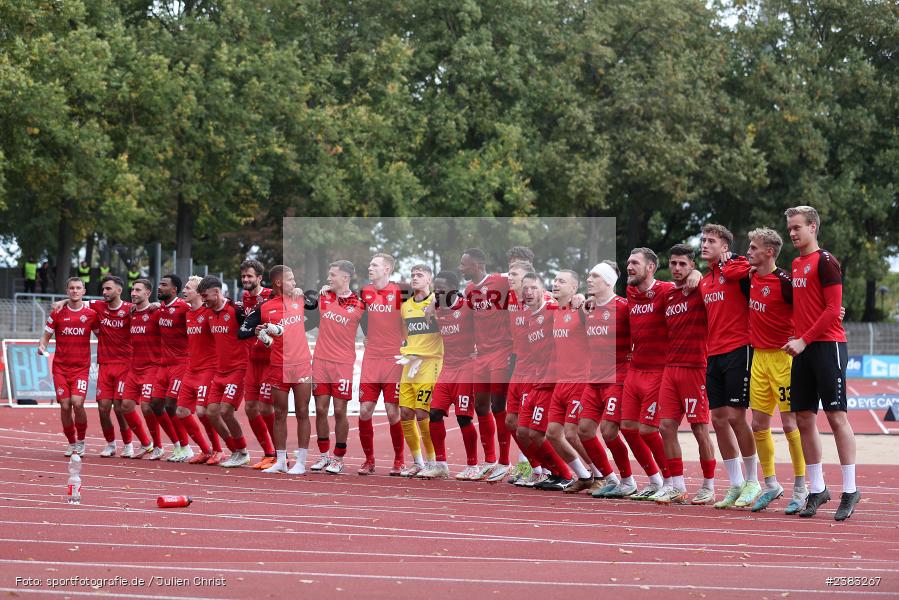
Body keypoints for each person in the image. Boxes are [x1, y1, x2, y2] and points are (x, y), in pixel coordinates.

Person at [782, 206, 859, 521]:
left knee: (837, 417)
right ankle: (817, 489)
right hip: (803, 348)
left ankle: (850, 490)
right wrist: (799, 338)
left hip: (828, 346)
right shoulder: (796, 264)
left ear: (813, 227)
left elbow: (832, 309)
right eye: (789, 228)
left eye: (797, 227)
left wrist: (803, 339)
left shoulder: (826, 261)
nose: (792, 233)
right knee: (803, 418)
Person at [744, 228, 808, 514]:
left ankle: (801, 487)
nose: (748, 252)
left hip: (784, 359)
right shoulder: (749, 277)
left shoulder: (785, 282)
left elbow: (812, 304)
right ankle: (771, 484)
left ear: (769, 252)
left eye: (754, 248)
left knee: (790, 424)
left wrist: (837, 311)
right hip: (758, 358)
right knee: (758, 425)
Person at [701, 224, 760, 509]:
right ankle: (735, 484)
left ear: (725, 247)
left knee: (737, 417)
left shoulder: (737, 269)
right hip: (713, 354)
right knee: (718, 419)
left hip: (739, 349)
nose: (704, 244)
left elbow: (753, 270)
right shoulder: (704, 282)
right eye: (703, 240)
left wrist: (733, 261)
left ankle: (753, 481)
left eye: (711, 241)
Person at [654, 245, 717, 505]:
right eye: (673, 263)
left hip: (696, 368)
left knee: (699, 429)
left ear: (692, 265)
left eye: (683, 264)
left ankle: (708, 486)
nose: (677, 268)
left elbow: (713, 286)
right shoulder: (668, 295)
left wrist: (699, 276)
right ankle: (677, 486)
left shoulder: (701, 288)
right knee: (665, 427)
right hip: (671, 368)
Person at [250, 266, 316, 475]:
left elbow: (316, 305)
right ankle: (280, 461)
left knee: (303, 412)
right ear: (278, 282)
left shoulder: (299, 299)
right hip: (278, 365)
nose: (294, 283)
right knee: (279, 413)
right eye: (290, 279)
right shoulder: (265, 308)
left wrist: (304, 294)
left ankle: (301, 462)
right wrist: (260, 333)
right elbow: (264, 337)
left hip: (302, 364)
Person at [580, 262, 636, 499]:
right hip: (594, 379)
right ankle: (610, 478)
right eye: (589, 275)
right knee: (584, 430)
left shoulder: (623, 307)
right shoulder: (588, 307)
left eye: (595, 276)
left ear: (608, 281)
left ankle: (629, 480)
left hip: (618, 377)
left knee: (609, 431)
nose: (589, 279)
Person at [516, 273, 575, 490]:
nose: (529, 292)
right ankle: (552, 472)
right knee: (522, 431)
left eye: (533, 288)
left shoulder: (551, 308)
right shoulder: (529, 316)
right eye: (525, 288)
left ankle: (566, 474)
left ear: (543, 291)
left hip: (552, 382)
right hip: (535, 380)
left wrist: (577, 298)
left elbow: (569, 306)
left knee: (539, 433)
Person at [545, 270, 602, 493]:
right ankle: (584, 476)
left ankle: (602, 475)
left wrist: (587, 298)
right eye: (555, 280)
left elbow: (600, 308)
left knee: (572, 433)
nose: (555, 283)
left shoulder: (581, 309)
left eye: (562, 281)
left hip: (581, 381)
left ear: (574, 288)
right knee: (552, 434)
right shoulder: (554, 310)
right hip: (562, 382)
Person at [420, 271, 478, 480]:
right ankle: (441, 465)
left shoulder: (467, 306)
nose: (437, 291)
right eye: (435, 288)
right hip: (448, 368)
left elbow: (485, 326)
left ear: (453, 288)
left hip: (466, 368)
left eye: (441, 288)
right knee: (434, 413)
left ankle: (473, 466)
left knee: (463, 417)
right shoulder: (435, 307)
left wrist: (480, 349)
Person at [459, 248, 510, 480]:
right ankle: (490, 460)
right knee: (481, 406)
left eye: (464, 264)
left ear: (478, 264)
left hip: (502, 352)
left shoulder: (501, 281)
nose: (461, 268)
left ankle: (505, 461)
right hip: (481, 356)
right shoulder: (469, 290)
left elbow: (531, 285)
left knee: (499, 406)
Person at [311, 260, 365, 474]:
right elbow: (305, 318)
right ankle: (323, 456)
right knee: (320, 409)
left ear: (345, 277)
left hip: (343, 363)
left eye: (333, 274)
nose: (329, 278)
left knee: (340, 410)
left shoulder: (359, 303)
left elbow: (373, 328)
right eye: (329, 274)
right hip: (320, 361)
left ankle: (339, 457)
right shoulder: (323, 296)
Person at [357, 253, 408, 475]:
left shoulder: (401, 292)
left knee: (392, 411)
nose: (370, 268)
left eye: (375, 265)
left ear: (387, 269)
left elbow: (416, 313)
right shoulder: (364, 292)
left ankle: (399, 460)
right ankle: (369, 460)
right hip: (371, 359)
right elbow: (354, 311)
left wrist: (409, 342)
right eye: (370, 264)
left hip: (393, 360)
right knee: (364, 410)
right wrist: (326, 291)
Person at [37, 277, 98, 455]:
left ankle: (81, 441)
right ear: (67, 291)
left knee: (77, 403)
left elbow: (102, 336)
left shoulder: (91, 314)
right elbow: (45, 336)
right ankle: (71, 442)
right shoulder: (57, 312)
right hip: (60, 368)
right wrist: (42, 346)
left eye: (78, 288)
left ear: (84, 291)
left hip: (81, 368)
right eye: (71, 288)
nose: (75, 291)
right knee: (65, 405)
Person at [199, 275, 251, 468]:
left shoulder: (237, 310)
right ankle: (235, 450)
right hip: (219, 372)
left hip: (238, 369)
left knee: (226, 411)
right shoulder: (208, 313)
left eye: (205, 296)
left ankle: (243, 452)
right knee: (211, 413)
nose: (204, 300)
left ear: (216, 292)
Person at [396, 264, 443, 477]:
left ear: (429, 280)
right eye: (413, 275)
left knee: (423, 412)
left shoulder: (437, 302)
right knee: (405, 412)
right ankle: (418, 462)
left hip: (430, 363)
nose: (415, 278)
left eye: (420, 275)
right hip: (409, 363)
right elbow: (405, 334)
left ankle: (433, 463)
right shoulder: (405, 306)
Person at [174, 276, 219, 465]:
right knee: (181, 411)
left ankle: (218, 450)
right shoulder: (187, 313)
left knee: (202, 412)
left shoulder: (209, 312)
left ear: (199, 293)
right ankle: (205, 450)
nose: (184, 291)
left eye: (188, 288)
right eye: (184, 287)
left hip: (208, 369)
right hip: (191, 370)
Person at [89, 276, 135, 457]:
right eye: (103, 289)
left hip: (125, 365)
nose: (104, 292)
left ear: (119, 291)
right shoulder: (98, 305)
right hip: (105, 365)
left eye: (108, 289)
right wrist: (62, 302)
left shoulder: (130, 309)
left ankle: (128, 444)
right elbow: (76, 302)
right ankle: (110, 444)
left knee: (119, 407)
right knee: (103, 408)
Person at [238, 259, 277, 470]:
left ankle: (280, 454)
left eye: (249, 276)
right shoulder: (244, 298)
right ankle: (268, 453)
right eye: (243, 276)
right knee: (250, 408)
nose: (245, 279)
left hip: (270, 360)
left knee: (266, 407)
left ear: (259, 278)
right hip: (251, 360)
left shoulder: (272, 295)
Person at [152, 274, 193, 462]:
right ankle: (177, 446)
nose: (159, 287)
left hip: (180, 364)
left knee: (171, 404)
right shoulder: (160, 307)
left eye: (164, 285)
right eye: (159, 284)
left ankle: (186, 448)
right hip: (163, 365)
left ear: (174, 290)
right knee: (155, 404)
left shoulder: (184, 308)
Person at [126, 279, 164, 459]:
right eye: (132, 290)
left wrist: (160, 304)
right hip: (134, 368)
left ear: (148, 293)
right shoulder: (131, 312)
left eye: (138, 290)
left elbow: (174, 309)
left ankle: (158, 446)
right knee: (125, 406)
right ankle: (146, 444)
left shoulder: (156, 312)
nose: (133, 293)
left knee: (147, 407)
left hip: (152, 367)